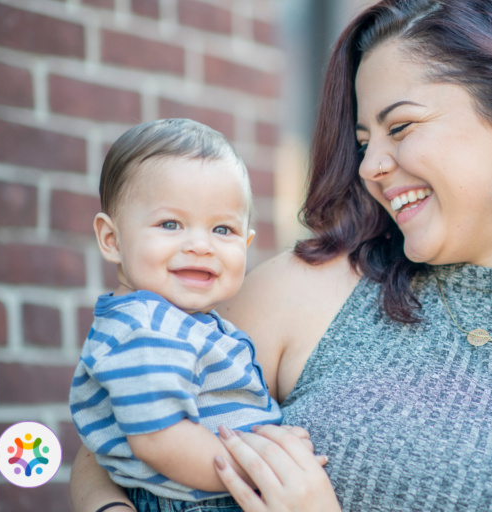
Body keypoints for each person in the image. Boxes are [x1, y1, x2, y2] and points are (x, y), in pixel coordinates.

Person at [71, 0, 492, 511]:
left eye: (401, 127)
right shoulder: (309, 286)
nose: (370, 167)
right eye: (362, 142)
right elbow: (117, 438)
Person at [70, 119, 319, 512]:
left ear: (247, 243)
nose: (201, 245)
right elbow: (159, 438)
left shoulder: (181, 321)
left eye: (223, 229)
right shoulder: (146, 326)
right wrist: (260, 466)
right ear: (112, 239)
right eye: (171, 224)